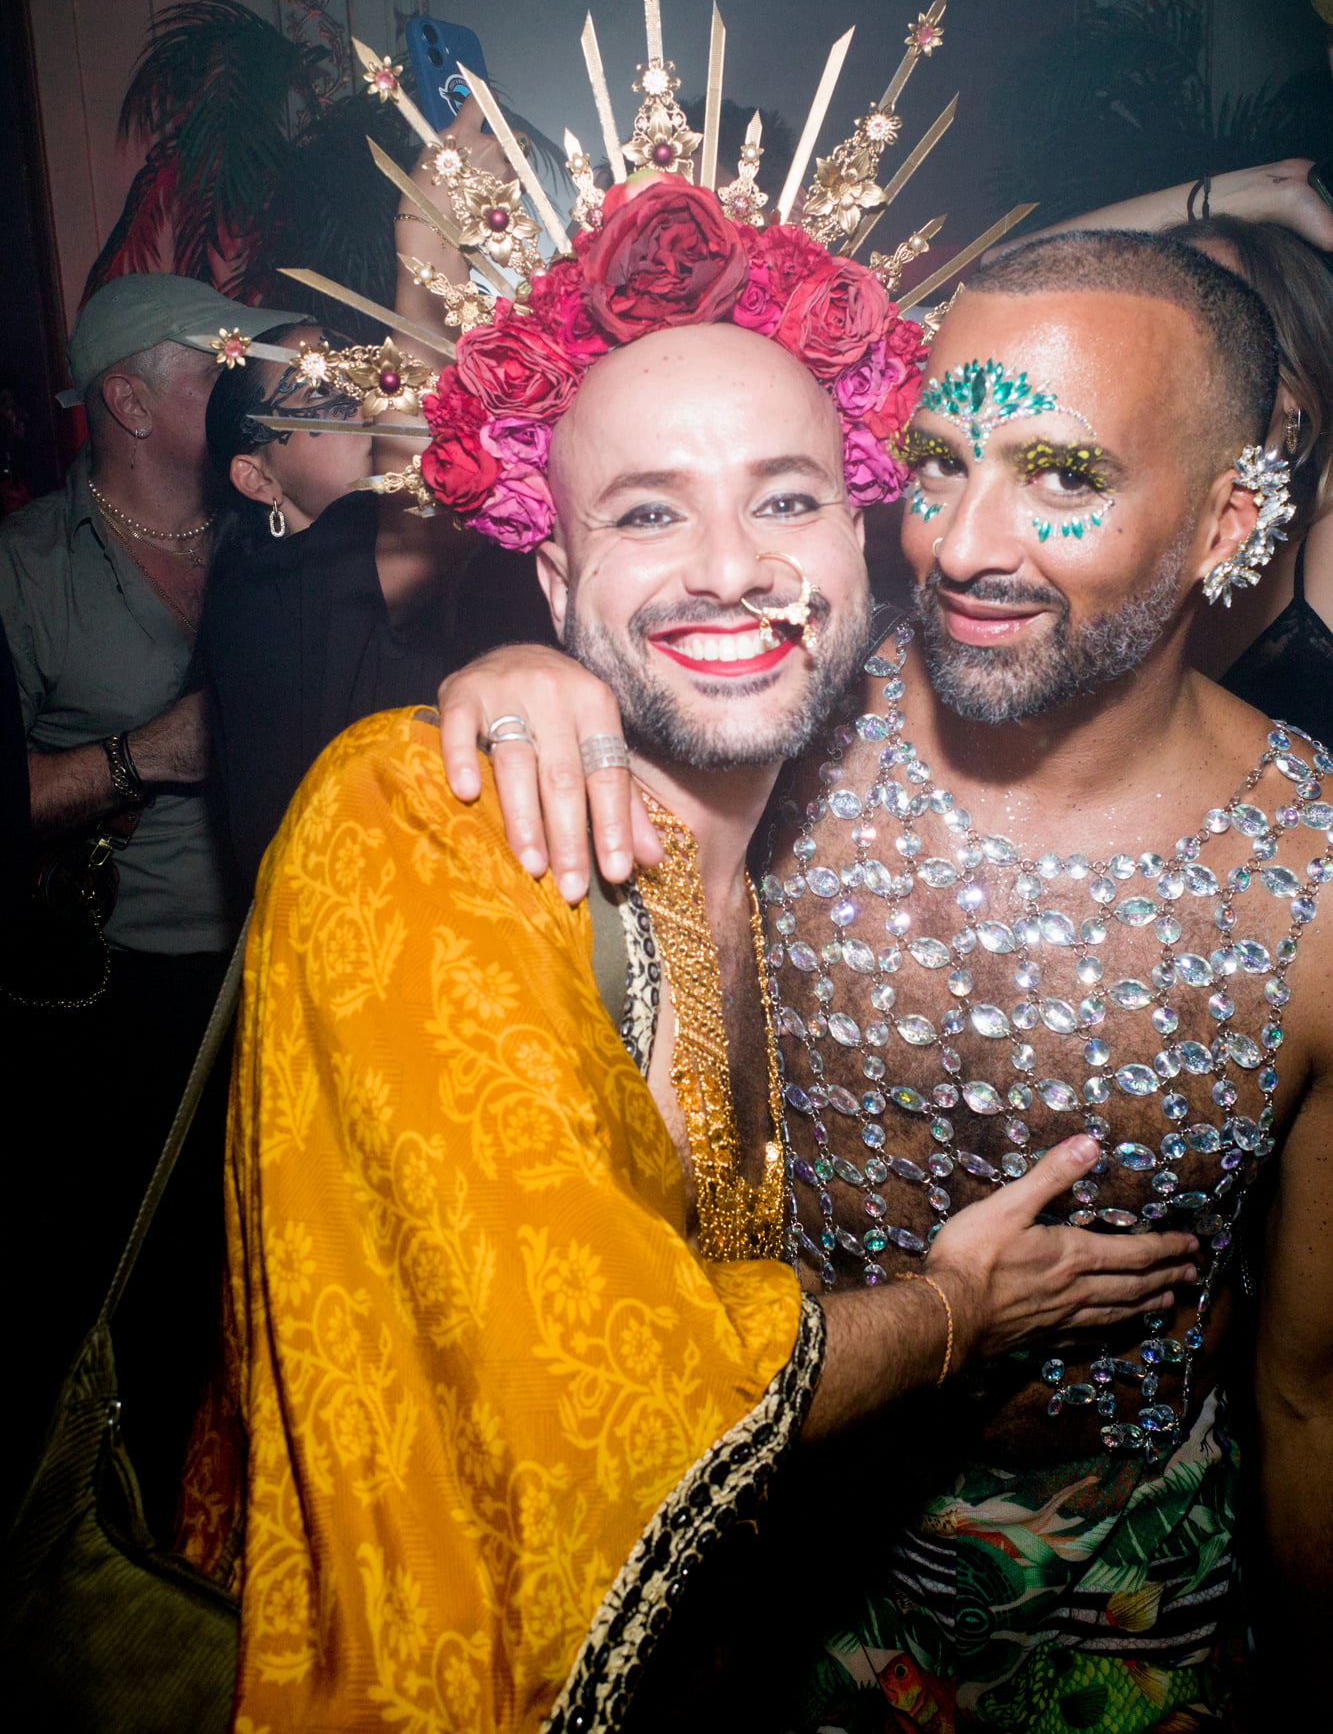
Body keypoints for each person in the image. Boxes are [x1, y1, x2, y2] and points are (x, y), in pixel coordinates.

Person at [178, 180, 1200, 1734]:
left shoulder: (827, 841)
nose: (728, 566)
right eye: (646, 512)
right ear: (553, 575)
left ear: (868, 556)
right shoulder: (411, 825)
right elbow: (604, 1414)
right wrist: (954, 1315)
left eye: (785, 500)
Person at [435, 229, 1333, 1726]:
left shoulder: (1313, 879)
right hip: (757, 1557)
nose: (962, 544)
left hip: (1129, 1610)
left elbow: (1310, 1391)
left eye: (1065, 478)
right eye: (934, 466)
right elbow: (643, 632)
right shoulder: (784, 714)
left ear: (1226, 514)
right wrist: (522, 681)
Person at [0, 272, 303, 1517]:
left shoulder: (274, 527)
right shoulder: (25, 564)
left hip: (272, 976)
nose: (238, 389)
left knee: (264, 1293)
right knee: (124, 1299)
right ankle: (104, 1550)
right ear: (125, 396)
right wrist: (143, 756)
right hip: (113, 1000)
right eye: (210, 365)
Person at [199, 322, 553, 885]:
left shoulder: (464, 571)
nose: (365, 398)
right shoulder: (261, 600)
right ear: (257, 476)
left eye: (361, 373)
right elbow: (431, 440)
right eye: (320, 390)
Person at [1017, 165, 1333, 742]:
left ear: (1290, 385)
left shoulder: (1325, 554)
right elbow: (1001, 280)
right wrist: (1251, 190)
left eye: (1207, 321)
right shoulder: (1091, 529)